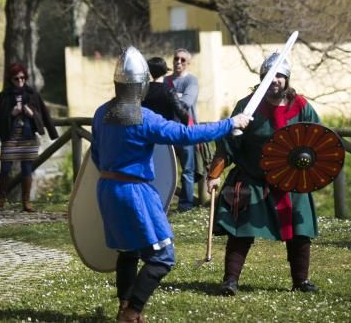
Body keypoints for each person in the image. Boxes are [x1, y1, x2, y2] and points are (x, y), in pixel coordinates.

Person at [91, 45, 252, 323]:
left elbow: (96, 155)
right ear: (141, 85)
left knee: (128, 252)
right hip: (134, 192)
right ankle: (132, 312)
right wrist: (230, 123)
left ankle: (124, 306)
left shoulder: (100, 113)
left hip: (106, 190)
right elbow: (187, 133)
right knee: (163, 256)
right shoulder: (144, 118)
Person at [206, 51, 320, 295]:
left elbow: (318, 139)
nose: (275, 79)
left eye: (280, 75)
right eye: (269, 75)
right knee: (241, 231)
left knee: (300, 232)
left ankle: (301, 281)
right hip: (253, 177)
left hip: (291, 179)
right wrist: (215, 173)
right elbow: (228, 142)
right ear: (262, 78)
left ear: (287, 79)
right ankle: (230, 281)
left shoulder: (301, 106)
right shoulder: (247, 107)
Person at [0, 62, 59, 212]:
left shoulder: (33, 93)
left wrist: (32, 114)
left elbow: (44, 115)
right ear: (11, 79)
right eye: (16, 78)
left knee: (27, 169)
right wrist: (12, 114)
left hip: (28, 137)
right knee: (5, 169)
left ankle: (26, 202)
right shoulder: (4, 96)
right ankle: (1, 199)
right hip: (10, 137)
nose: (20, 81)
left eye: (22, 78)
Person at [163, 48, 199, 212]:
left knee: (187, 171)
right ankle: (164, 203)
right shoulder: (166, 80)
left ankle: (186, 206)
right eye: (176, 59)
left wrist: (173, 97)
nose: (178, 62)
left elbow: (186, 102)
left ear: (188, 63)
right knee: (165, 168)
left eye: (183, 60)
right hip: (167, 130)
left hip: (186, 131)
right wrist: (176, 97)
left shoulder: (191, 81)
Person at [143, 56, 189, 124]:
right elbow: (182, 113)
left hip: (147, 130)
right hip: (164, 130)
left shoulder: (143, 90)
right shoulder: (169, 91)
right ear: (165, 71)